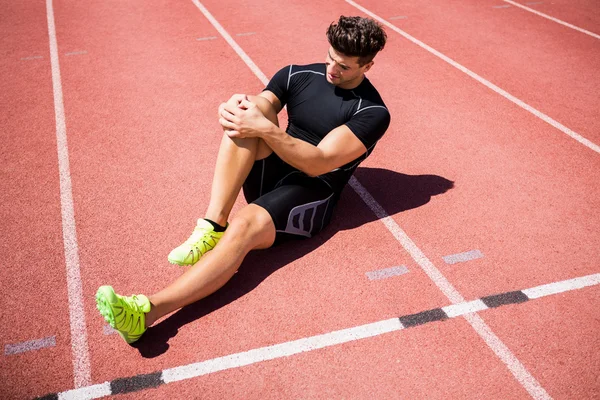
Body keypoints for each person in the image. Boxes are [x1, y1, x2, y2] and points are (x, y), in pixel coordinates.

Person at [95, 15, 390, 344]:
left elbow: (318, 163)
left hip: (311, 191)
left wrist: (263, 128)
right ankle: (212, 224)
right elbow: (262, 104)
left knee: (246, 223)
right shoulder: (298, 73)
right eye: (330, 58)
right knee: (247, 112)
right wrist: (239, 106)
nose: (332, 70)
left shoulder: (373, 112)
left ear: (368, 65)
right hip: (275, 168)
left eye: (344, 67)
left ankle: (145, 313)